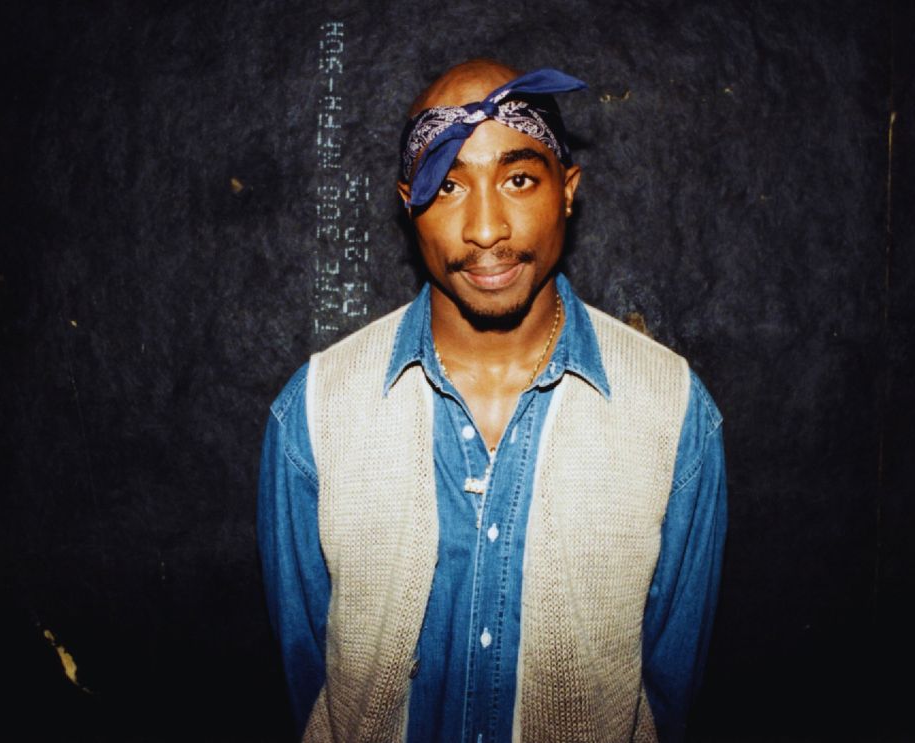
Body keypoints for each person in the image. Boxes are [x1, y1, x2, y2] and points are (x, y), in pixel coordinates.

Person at [258, 58, 727, 743]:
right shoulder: (315, 413)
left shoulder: (673, 412)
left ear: (567, 190)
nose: (485, 229)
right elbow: (311, 689)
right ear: (408, 206)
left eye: (517, 179)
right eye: (447, 185)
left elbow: (669, 690)